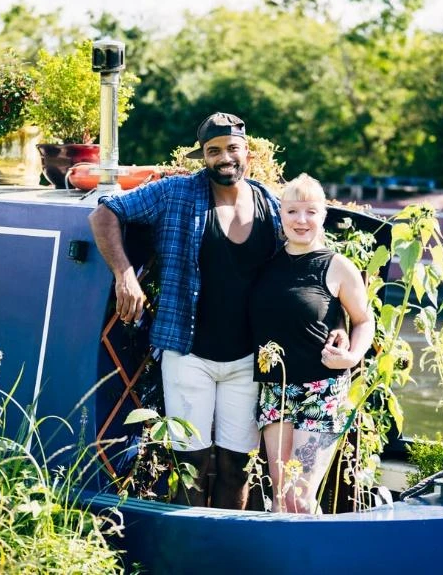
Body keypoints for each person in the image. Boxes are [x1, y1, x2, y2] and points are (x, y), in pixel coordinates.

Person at [90, 112, 294, 509]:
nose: (224, 158)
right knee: (191, 464)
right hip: (187, 352)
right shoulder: (174, 193)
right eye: (213, 151)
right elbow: (104, 213)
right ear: (203, 156)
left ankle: (222, 549)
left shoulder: (270, 204)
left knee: (238, 466)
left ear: (246, 152)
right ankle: (187, 550)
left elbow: (306, 261)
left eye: (232, 148)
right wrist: (124, 275)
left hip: (250, 359)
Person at [250, 173, 374, 514]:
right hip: (276, 390)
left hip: (321, 390)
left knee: (300, 498)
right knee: (280, 496)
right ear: (281, 214)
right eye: (292, 211)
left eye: (310, 212)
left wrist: (350, 356)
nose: (301, 220)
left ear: (323, 216)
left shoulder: (338, 267)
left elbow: (364, 320)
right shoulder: (264, 263)